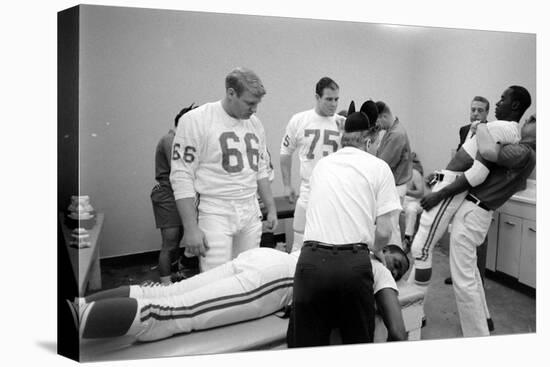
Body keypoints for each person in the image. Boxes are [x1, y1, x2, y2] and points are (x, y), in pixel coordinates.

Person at [69, 244, 409, 342]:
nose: (394, 271)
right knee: (170, 314)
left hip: (266, 258)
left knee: (165, 294)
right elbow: (397, 329)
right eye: (395, 262)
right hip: (276, 278)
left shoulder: (348, 237)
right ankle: (70, 324)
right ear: (384, 252)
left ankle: (79, 305)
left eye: (399, 271)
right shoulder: (375, 269)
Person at [287, 102, 403, 347]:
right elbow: (384, 231)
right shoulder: (379, 168)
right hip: (351, 267)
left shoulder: (323, 165)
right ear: (369, 141)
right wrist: (376, 249)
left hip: (309, 264)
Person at [420, 113, 535, 337]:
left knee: (463, 281)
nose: (527, 121)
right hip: (478, 212)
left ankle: (477, 337)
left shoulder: (523, 151)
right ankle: (485, 320)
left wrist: (482, 126)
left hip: (474, 210)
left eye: (533, 120)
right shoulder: (525, 153)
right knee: (470, 273)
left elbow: (488, 151)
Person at [409, 86, 529, 286]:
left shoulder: (500, 129)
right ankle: (414, 306)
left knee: (421, 249)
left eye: (502, 98)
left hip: (457, 191)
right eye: (473, 109)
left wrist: (439, 195)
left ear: (515, 105)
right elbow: (460, 159)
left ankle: (415, 306)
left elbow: (478, 172)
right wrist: (438, 176)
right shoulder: (478, 129)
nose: (499, 102)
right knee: (422, 248)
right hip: (449, 183)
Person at [170, 68, 278, 272]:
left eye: (257, 104)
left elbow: (260, 169)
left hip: (249, 206)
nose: (254, 109)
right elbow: (181, 176)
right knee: (215, 279)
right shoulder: (196, 120)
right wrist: (191, 228)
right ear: (231, 93)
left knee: (248, 274)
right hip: (216, 209)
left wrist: (271, 207)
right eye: (249, 103)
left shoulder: (254, 124)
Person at [280, 77, 346, 251]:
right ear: (317, 97)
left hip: (334, 192)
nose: (334, 104)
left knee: (331, 242)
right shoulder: (299, 120)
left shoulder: (342, 123)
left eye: (336, 99)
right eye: (329, 99)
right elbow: (285, 153)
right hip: (308, 190)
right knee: (299, 243)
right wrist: (286, 185)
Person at [445, 96, 490, 286]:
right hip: (462, 184)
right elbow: (461, 154)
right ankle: (457, 274)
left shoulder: (491, 131)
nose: (476, 113)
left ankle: (478, 278)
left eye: (480, 110)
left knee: (478, 237)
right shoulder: (464, 130)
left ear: (487, 113)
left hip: (481, 189)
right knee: (457, 232)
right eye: (473, 109)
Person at [151, 103, 198, 285]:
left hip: (179, 194)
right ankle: (165, 284)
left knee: (177, 242)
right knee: (170, 243)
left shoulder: (182, 141)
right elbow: (181, 171)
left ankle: (175, 275)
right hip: (168, 195)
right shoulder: (170, 140)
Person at [375, 101, 413, 248]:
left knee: (391, 228)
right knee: (391, 226)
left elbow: (382, 162)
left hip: (396, 186)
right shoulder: (391, 131)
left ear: (383, 116)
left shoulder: (397, 134)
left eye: (377, 120)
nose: (377, 125)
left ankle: (395, 263)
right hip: (394, 185)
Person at [401, 152, 425, 253]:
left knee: (411, 210)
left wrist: (406, 191)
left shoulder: (415, 173)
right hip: (402, 200)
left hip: (414, 202)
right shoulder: (399, 173)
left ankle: (408, 238)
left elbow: (420, 192)